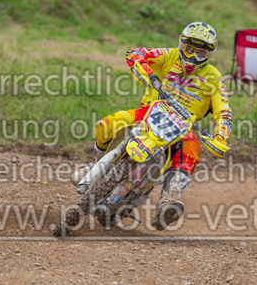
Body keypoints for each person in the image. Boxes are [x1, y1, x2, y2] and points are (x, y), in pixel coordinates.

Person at [87, 22, 232, 230]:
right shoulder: (169, 55)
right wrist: (143, 66)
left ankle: (168, 202)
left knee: (191, 151)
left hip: (183, 127)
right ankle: (98, 163)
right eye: (189, 49)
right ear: (181, 45)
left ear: (209, 55)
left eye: (201, 53)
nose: (192, 57)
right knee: (106, 124)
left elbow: (223, 110)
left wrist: (221, 136)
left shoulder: (214, 78)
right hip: (150, 112)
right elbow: (137, 53)